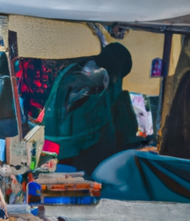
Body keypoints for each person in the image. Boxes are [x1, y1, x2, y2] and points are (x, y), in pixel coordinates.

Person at [42, 42, 139, 174]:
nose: (116, 80)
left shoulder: (73, 69)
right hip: (80, 149)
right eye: (118, 75)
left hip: (57, 145)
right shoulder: (98, 76)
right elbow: (86, 120)